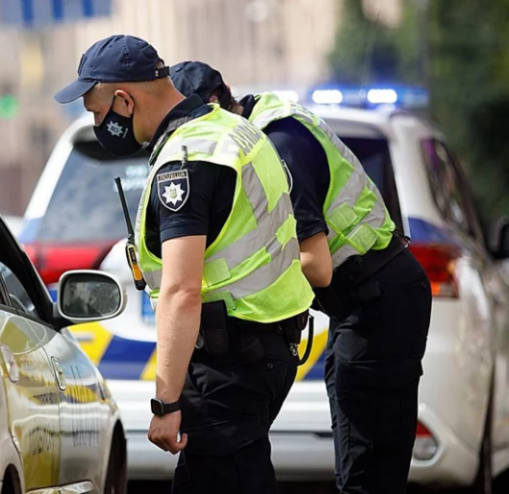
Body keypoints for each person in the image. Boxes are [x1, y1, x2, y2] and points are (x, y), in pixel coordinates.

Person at [54, 35, 315, 494]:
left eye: (97, 113)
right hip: (264, 347)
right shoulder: (229, 130)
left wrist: (165, 402)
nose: (98, 123)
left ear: (124, 99)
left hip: (231, 361)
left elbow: (181, 289)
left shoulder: (187, 162)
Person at [169, 60, 433, 494]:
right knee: (364, 455)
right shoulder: (257, 130)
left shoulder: (275, 145)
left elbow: (317, 265)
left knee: (365, 471)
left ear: (216, 104)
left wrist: (238, 295)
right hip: (367, 300)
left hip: (379, 299)